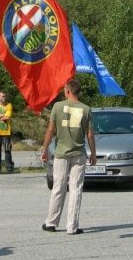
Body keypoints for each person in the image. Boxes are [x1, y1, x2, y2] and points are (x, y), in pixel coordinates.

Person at [40, 79, 96, 235]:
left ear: (69, 91)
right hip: (79, 153)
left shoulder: (57, 107)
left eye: (65, 89)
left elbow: (51, 130)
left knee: (58, 187)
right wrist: (93, 154)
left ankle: (51, 222)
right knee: (76, 188)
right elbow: (90, 134)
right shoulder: (86, 109)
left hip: (61, 153)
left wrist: (45, 149)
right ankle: (72, 226)